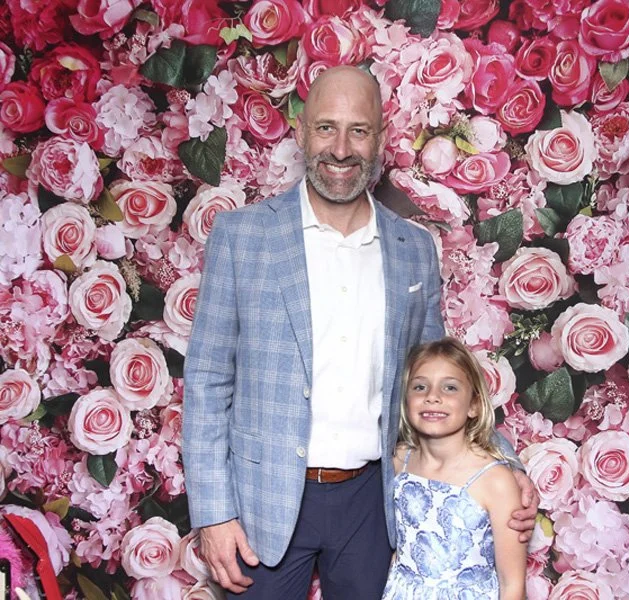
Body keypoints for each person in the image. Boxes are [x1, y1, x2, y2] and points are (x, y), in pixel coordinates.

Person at [182, 65, 536, 599]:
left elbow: (438, 378)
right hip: (262, 503)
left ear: (381, 138)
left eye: (359, 130)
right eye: (327, 127)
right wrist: (213, 513)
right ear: (301, 132)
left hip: (374, 504)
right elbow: (208, 380)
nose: (342, 149)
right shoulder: (242, 236)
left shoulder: (413, 249)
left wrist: (505, 463)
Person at [383, 338, 527, 600]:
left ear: (474, 405)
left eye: (449, 388)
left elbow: (512, 585)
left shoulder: (496, 481)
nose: (432, 397)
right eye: (420, 387)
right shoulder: (398, 461)